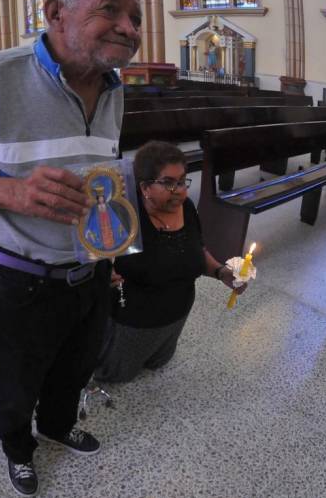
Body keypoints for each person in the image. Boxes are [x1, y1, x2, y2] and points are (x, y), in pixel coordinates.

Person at [0, 0, 142, 496]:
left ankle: (56, 425)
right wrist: (16, 193)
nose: (130, 27)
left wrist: (112, 246)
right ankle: (18, 449)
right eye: (111, 11)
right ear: (55, 13)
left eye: (136, 17)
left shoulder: (114, 88)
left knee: (75, 366)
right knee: (15, 382)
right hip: (18, 278)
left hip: (90, 270)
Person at [95, 141, 247, 383]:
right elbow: (95, 255)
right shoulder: (126, 215)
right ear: (145, 187)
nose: (179, 190)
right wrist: (103, 272)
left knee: (159, 362)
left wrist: (221, 272)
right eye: (168, 183)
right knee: (114, 375)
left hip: (176, 318)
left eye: (182, 181)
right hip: (134, 322)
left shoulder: (185, 207)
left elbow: (197, 250)